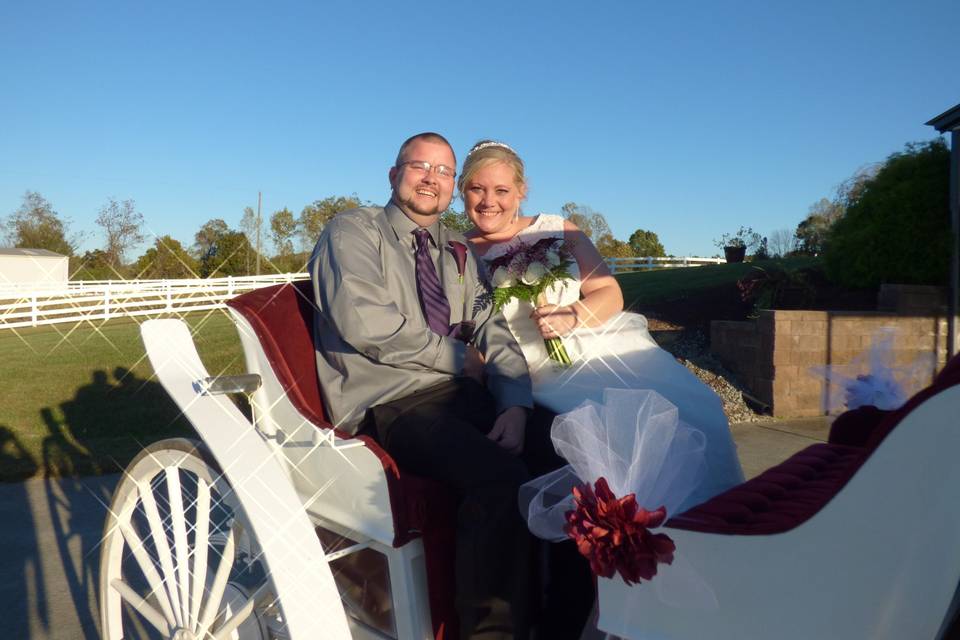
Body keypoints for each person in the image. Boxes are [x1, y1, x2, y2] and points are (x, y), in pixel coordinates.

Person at [308, 132, 591, 639]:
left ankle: (559, 626)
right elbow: (365, 322)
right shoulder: (352, 231)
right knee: (498, 478)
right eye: (420, 166)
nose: (431, 179)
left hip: (464, 396)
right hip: (391, 401)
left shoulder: (458, 250)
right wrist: (459, 358)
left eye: (442, 172)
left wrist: (515, 406)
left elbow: (493, 332)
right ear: (394, 174)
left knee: (572, 456)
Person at [460, 139, 744, 509]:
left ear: (521, 192)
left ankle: (709, 524)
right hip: (523, 370)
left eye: (501, 190)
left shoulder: (558, 229)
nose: (488, 201)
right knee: (609, 440)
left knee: (692, 412)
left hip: (587, 344)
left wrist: (572, 315)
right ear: (462, 190)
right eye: (476, 189)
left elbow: (609, 292)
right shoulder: (456, 249)